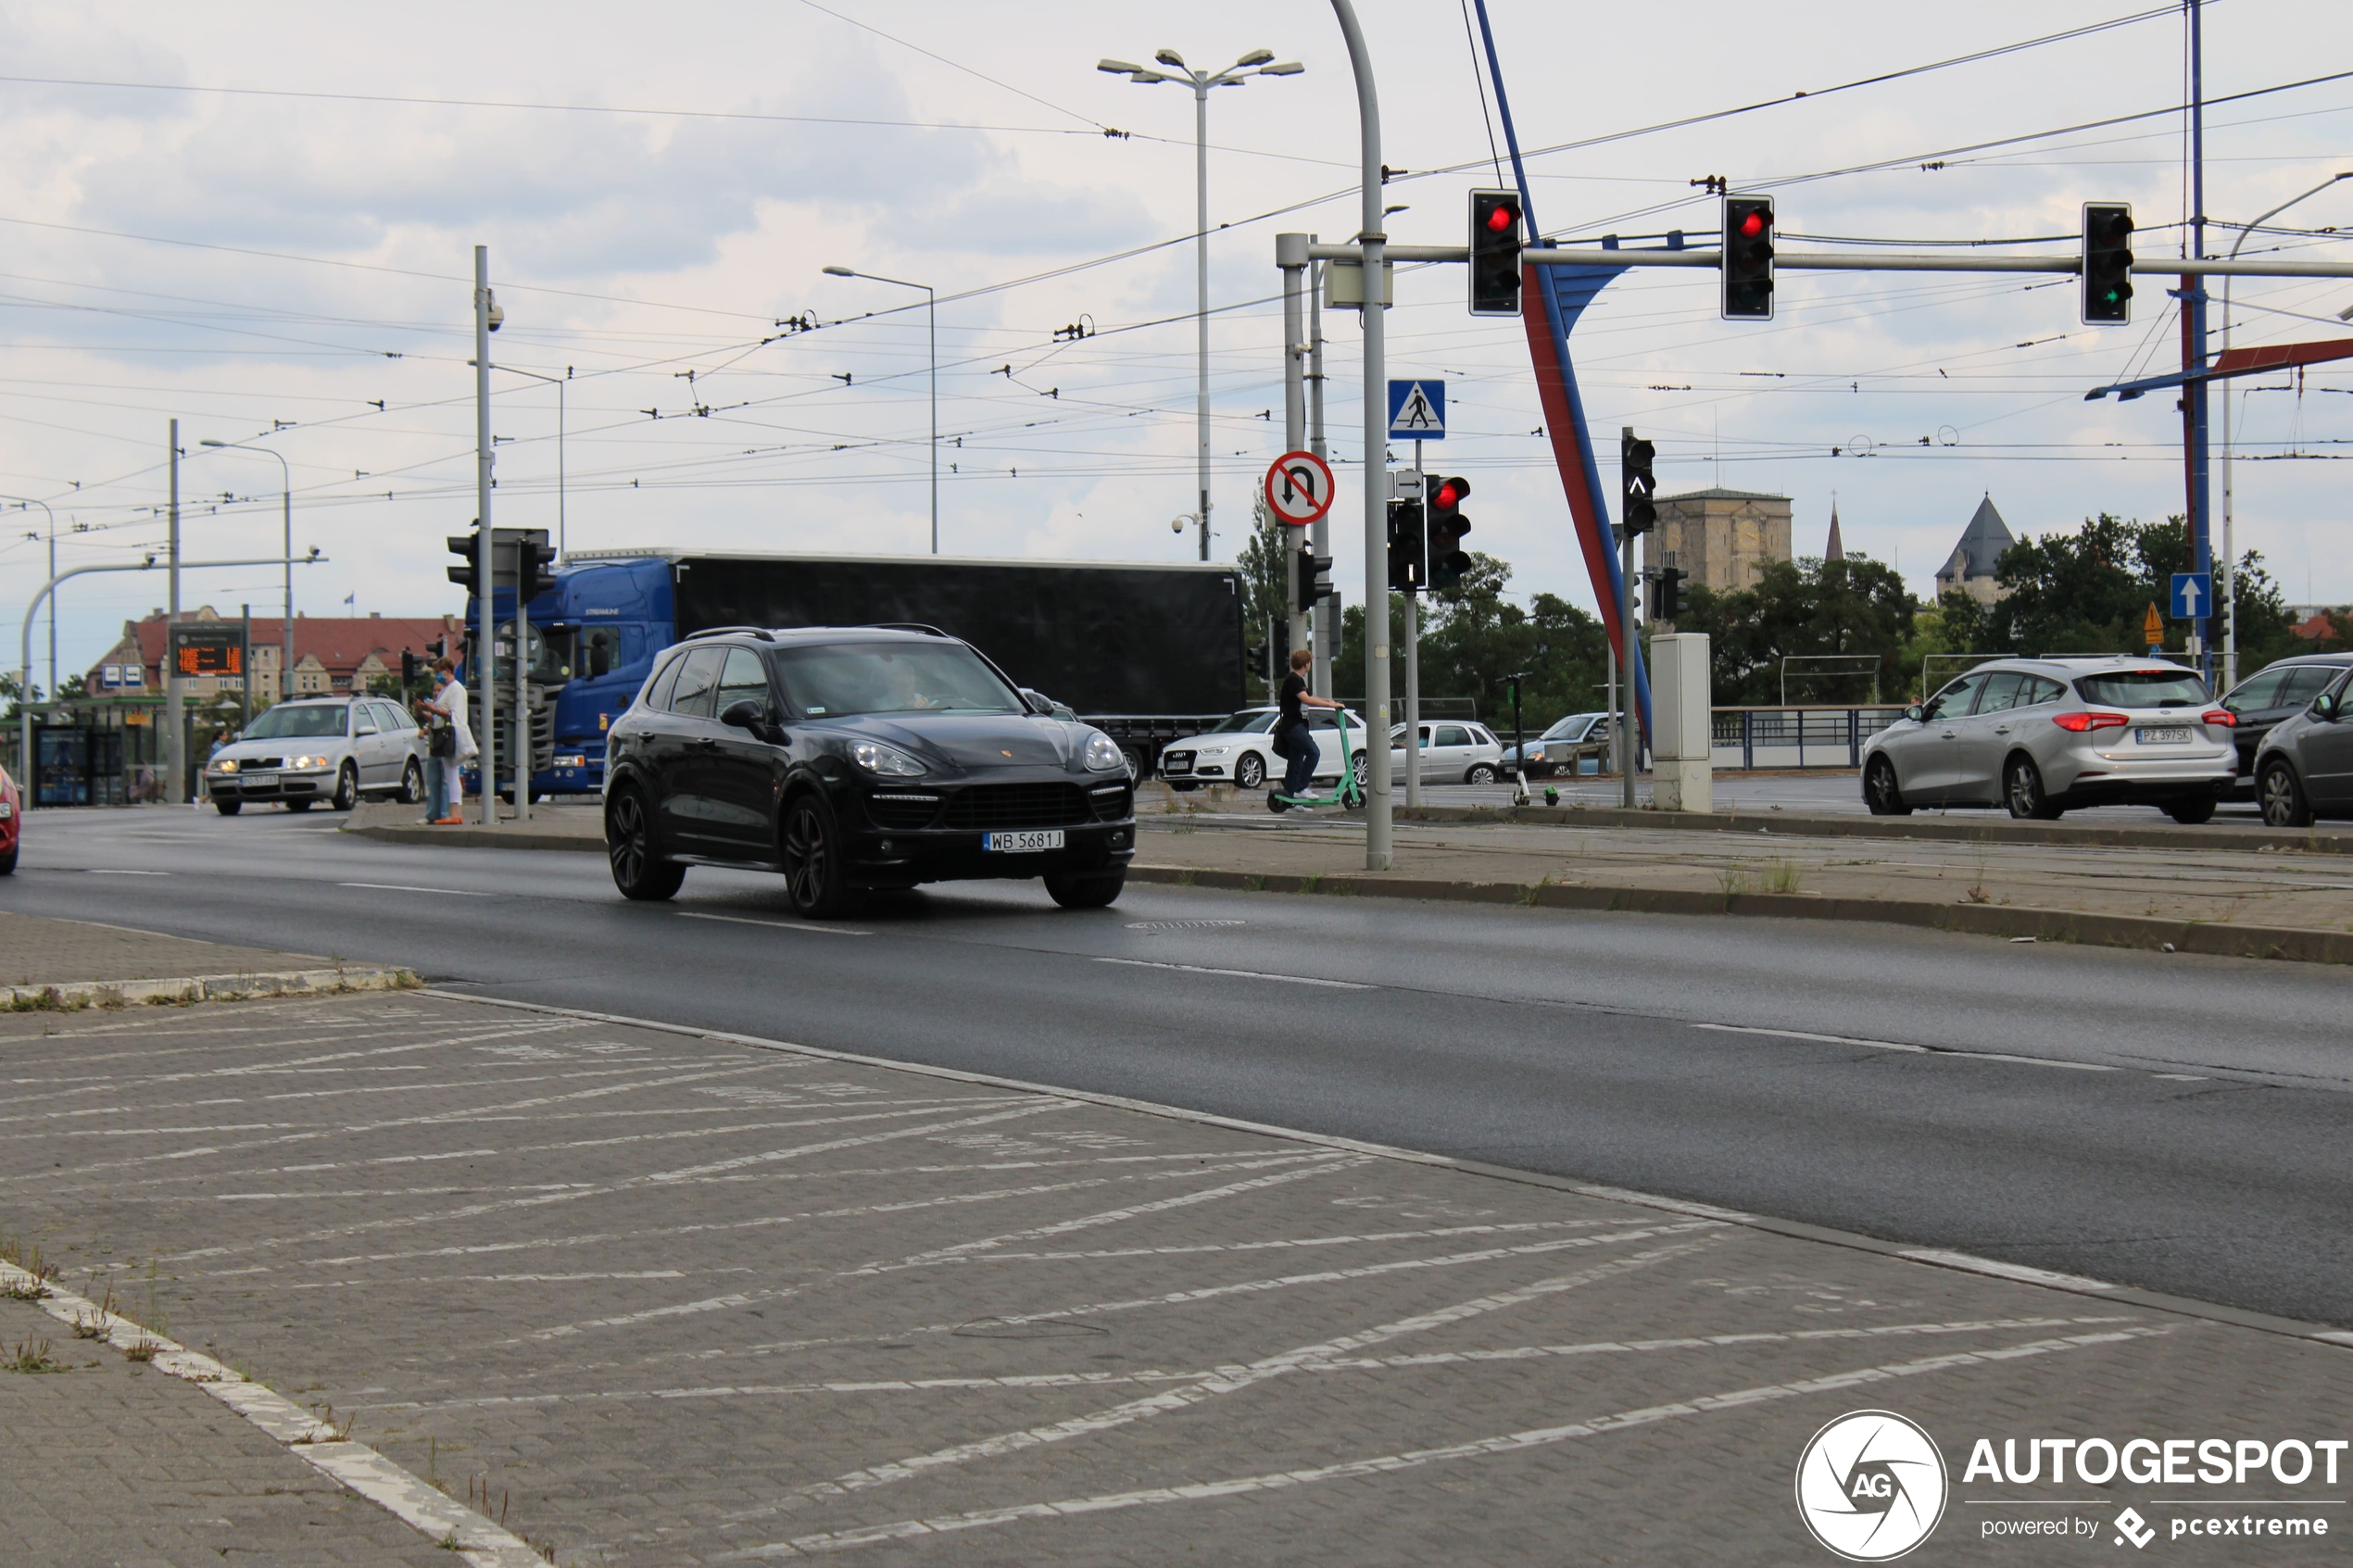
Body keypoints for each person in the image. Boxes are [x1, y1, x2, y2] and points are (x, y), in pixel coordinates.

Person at [1269, 648, 1342, 811]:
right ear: (1306, 664)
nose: (1310, 665)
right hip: (1293, 726)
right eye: (1309, 662)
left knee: (1295, 763)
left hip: (1298, 725)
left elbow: (1309, 697)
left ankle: (1289, 801)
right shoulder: (1293, 680)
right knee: (1313, 752)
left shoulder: (1299, 681)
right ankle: (1301, 788)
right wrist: (1330, 705)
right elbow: (1306, 699)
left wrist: (1328, 700)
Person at [416, 659, 473, 824]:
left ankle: (455, 813)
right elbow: (437, 720)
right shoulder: (448, 689)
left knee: (452, 775)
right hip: (444, 734)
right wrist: (423, 710)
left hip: (451, 735)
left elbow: (451, 715)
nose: (438, 676)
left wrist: (432, 708)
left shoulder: (455, 689)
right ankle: (453, 812)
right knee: (451, 775)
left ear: (448, 670)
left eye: (439, 672)